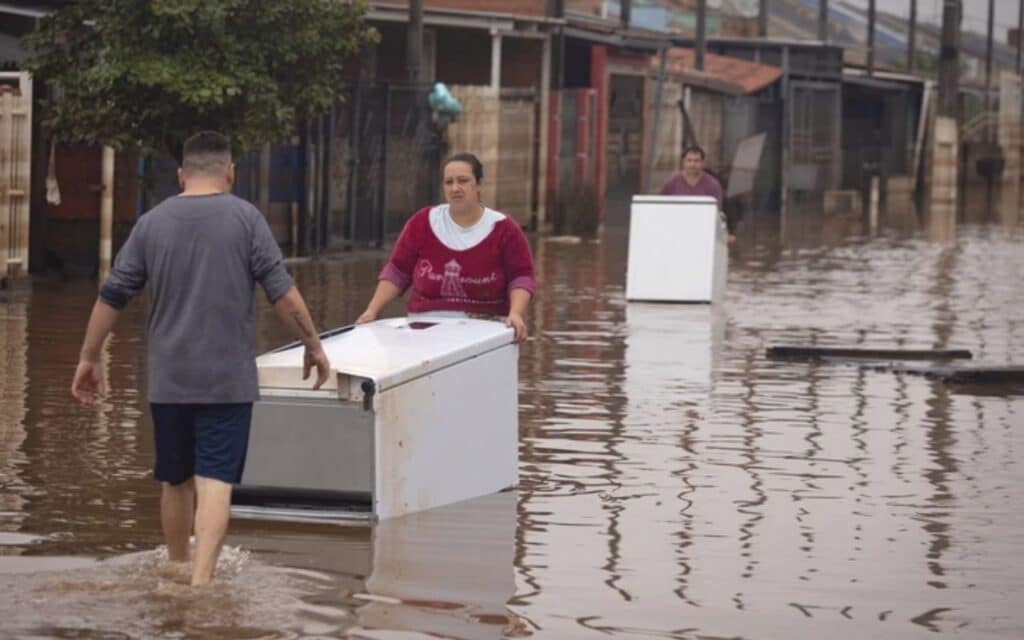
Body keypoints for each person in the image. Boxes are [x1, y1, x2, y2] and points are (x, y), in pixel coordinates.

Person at [70, 131, 331, 587]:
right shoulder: (247, 219)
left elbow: (113, 295)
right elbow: (283, 296)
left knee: (174, 479)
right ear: (230, 171)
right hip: (226, 380)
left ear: (180, 174)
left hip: (168, 379)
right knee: (215, 481)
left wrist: (89, 357)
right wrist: (313, 345)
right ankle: (200, 584)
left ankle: (175, 566)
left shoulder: (152, 223)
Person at [356, 152, 535, 340]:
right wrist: (372, 310)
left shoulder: (505, 229)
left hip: (486, 327)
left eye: (463, 180)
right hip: (425, 327)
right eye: (449, 182)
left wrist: (516, 313)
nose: (455, 188)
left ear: (479, 184)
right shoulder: (422, 222)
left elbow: (522, 276)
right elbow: (398, 271)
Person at [659, 145, 735, 243]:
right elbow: (660, 209)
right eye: (689, 160)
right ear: (683, 162)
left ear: (702, 163)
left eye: (696, 161)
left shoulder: (713, 185)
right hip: (675, 230)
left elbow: (717, 215)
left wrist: (723, 235)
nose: (692, 164)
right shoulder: (671, 182)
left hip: (703, 232)